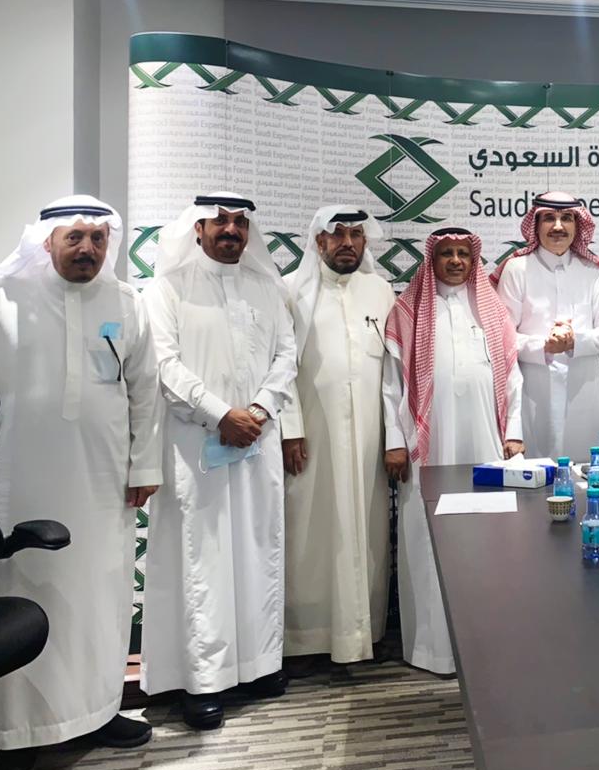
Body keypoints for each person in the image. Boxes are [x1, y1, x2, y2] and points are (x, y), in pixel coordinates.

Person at [0, 196, 161, 770]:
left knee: (99, 597)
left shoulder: (127, 303)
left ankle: (97, 711)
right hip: (16, 482)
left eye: (98, 239)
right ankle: (18, 732)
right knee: (25, 589)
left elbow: (145, 391)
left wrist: (145, 467)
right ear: (46, 240)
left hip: (103, 481)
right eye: (74, 237)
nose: (88, 249)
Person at [140, 193, 297, 730]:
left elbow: (286, 355)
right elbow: (163, 364)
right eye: (219, 222)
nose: (231, 230)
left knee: (257, 550)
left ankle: (258, 665)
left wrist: (259, 409)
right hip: (195, 449)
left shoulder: (266, 287)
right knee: (202, 560)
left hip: (257, 441)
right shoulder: (167, 288)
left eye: (239, 223)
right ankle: (202, 681)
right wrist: (219, 414)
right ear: (198, 229)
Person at [382, 227, 522, 674]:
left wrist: (515, 433)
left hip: (485, 442)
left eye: (464, 253)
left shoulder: (492, 311)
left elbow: (513, 380)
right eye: (447, 253)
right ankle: (433, 649)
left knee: (487, 537)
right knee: (428, 538)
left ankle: (486, 645)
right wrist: (395, 443)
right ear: (432, 259)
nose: (456, 261)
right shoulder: (407, 312)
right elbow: (390, 387)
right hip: (429, 447)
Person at [280, 206, 396, 664]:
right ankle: (307, 638)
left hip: (369, 436)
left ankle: (362, 631)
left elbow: (393, 372)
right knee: (310, 528)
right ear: (318, 241)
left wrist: (394, 438)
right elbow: (280, 367)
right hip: (312, 435)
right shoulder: (291, 290)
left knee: (366, 529)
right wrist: (290, 430)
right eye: (337, 234)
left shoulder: (380, 291)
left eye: (356, 235)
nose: (348, 243)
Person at [493, 192, 599, 460]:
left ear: (577, 225)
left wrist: (575, 342)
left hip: (583, 393)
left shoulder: (592, 272)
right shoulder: (517, 269)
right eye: (549, 218)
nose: (558, 226)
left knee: (587, 472)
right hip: (533, 393)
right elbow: (503, 338)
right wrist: (544, 346)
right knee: (535, 473)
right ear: (536, 225)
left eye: (567, 218)